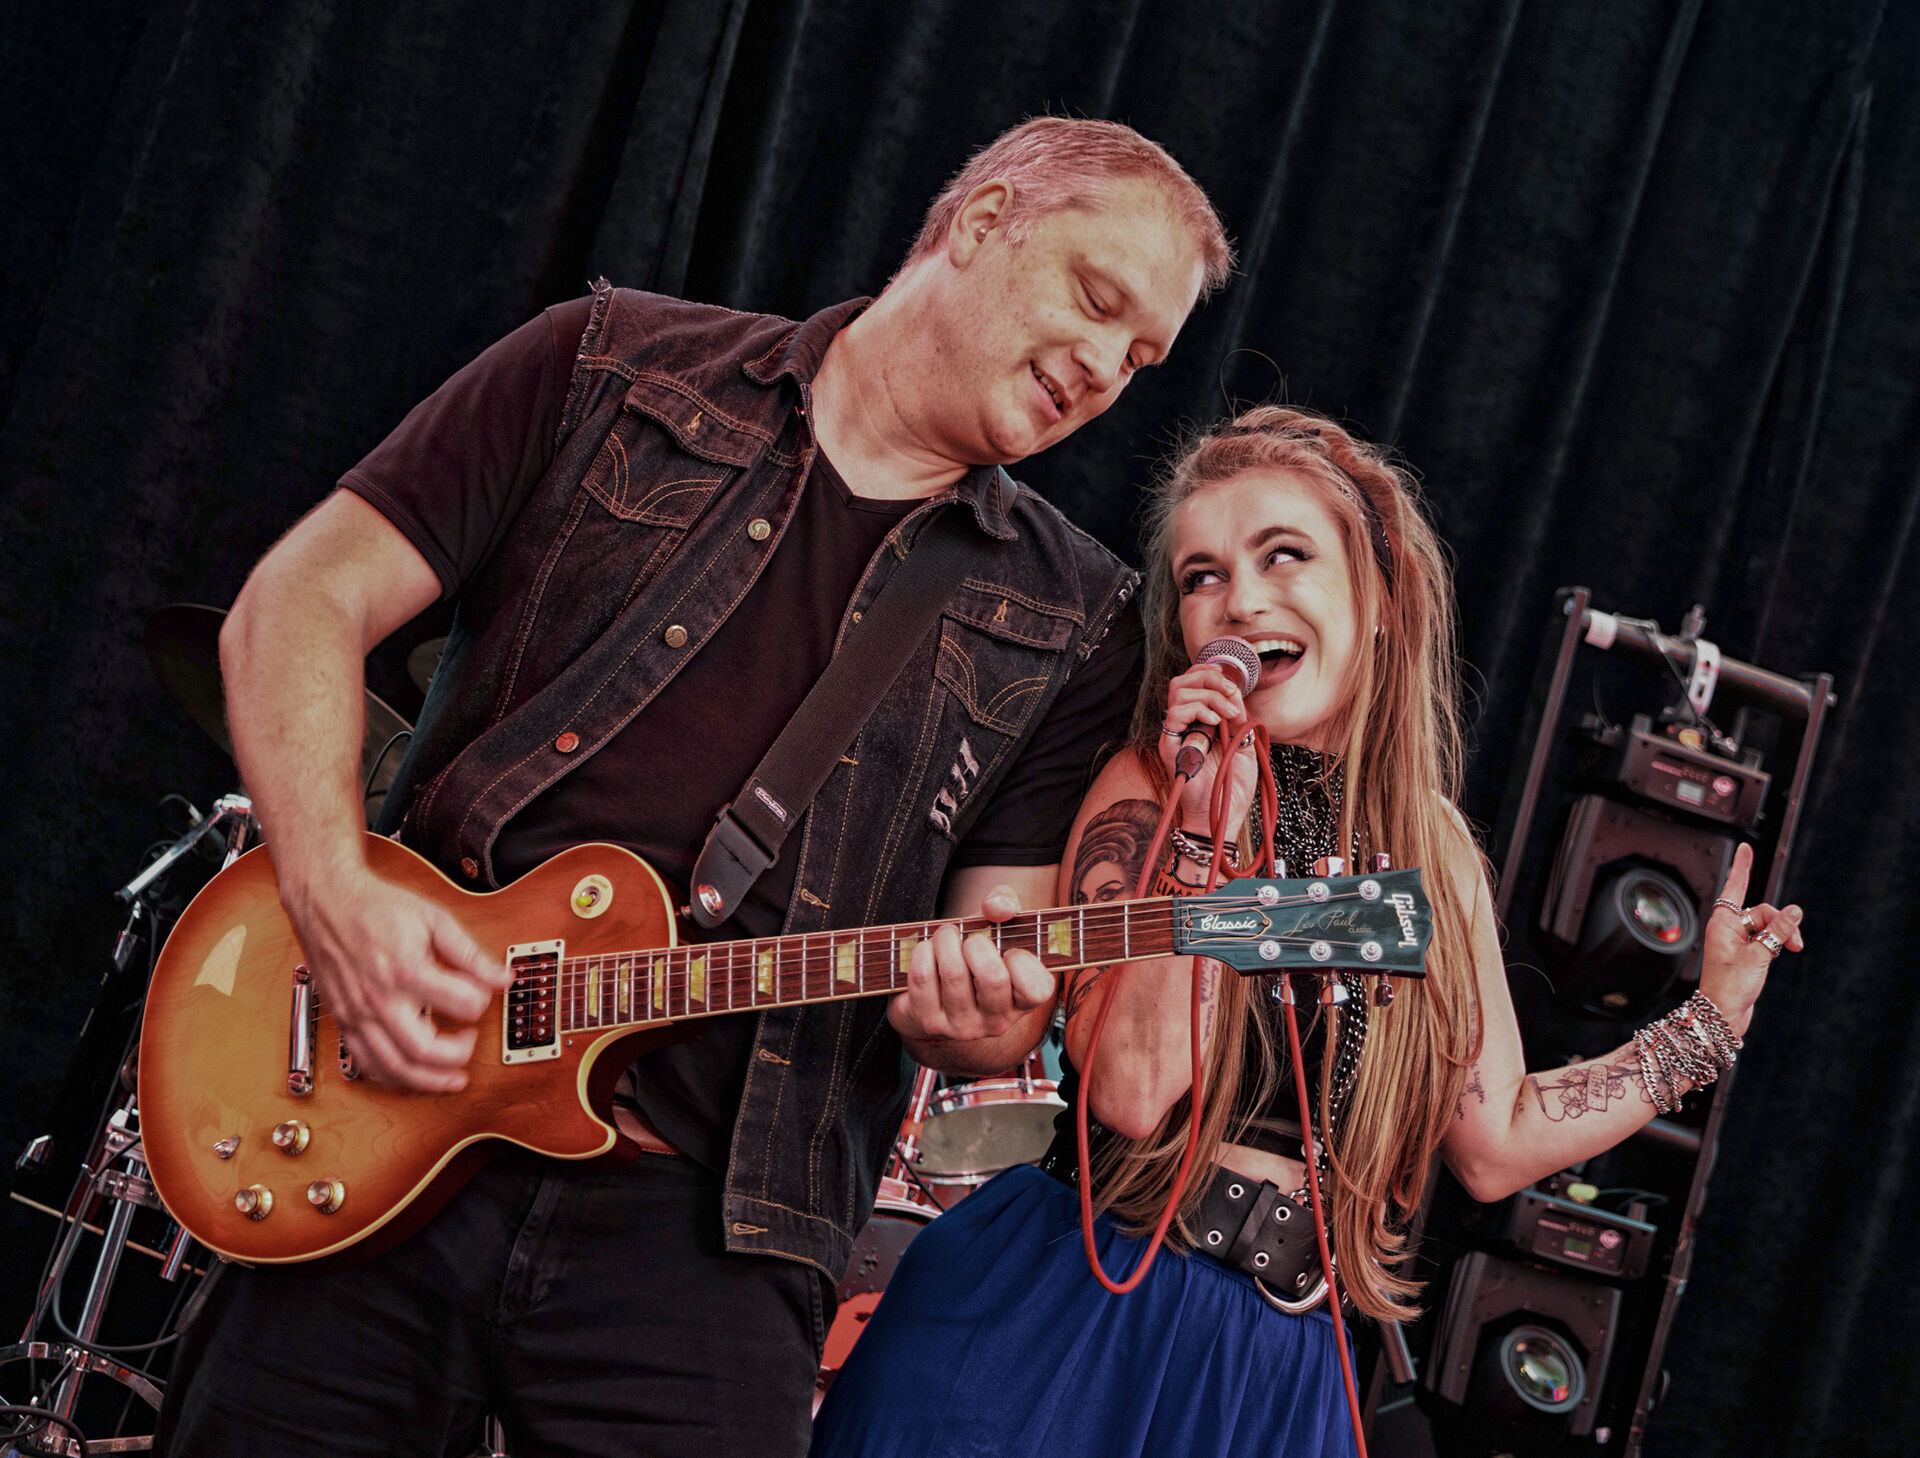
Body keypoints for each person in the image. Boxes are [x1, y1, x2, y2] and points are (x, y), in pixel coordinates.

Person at [155, 118, 1233, 1458]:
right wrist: (331, 895)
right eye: (1096, 299)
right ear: (980, 223)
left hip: (720, 1228)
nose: (1105, 368)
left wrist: (980, 1016)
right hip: (394, 1109)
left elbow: (996, 969)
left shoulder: (1077, 618)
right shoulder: (607, 368)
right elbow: (298, 602)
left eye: (1142, 358)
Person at [807, 405, 1803, 1458]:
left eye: (1283, 556)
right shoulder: (1148, 789)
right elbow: (1132, 1093)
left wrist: (1710, 1022)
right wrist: (1202, 833)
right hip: (1075, 1315)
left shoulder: (1435, 857)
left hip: (1273, 1368)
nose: (1239, 601)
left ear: (1378, 598)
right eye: (1202, 576)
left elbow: (1498, 1141)